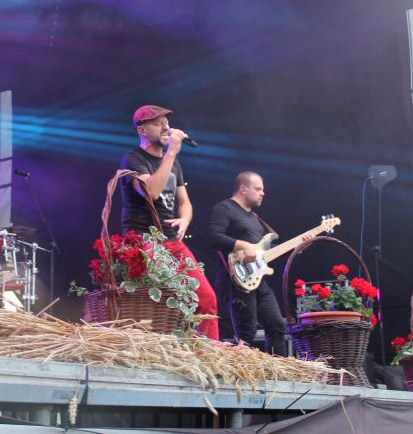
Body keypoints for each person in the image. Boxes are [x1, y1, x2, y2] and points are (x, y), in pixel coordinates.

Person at [119, 104, 219, 341]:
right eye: (158, 123)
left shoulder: (173, 164)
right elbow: (151, 192)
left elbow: (185, 202)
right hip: (143, 241)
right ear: (142, 130)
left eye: (167, 122)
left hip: (172, 241)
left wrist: (185, 219)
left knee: (206, 298)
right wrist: (172, 151)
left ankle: (209, 353)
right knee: (156, 303)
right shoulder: (133, 159)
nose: (166, 127)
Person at [207, 171, 306, 355]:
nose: (263, 193)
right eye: (258, 189)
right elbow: (213, 237)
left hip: (257, 279)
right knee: (247, 331)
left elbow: (264, 252)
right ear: (243, 189)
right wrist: (243, 245)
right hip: (235, 278)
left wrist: (296, 247)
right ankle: (238, 369)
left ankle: (277, 370)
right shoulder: (224, 208)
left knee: (276, 325)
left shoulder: (254, 218)